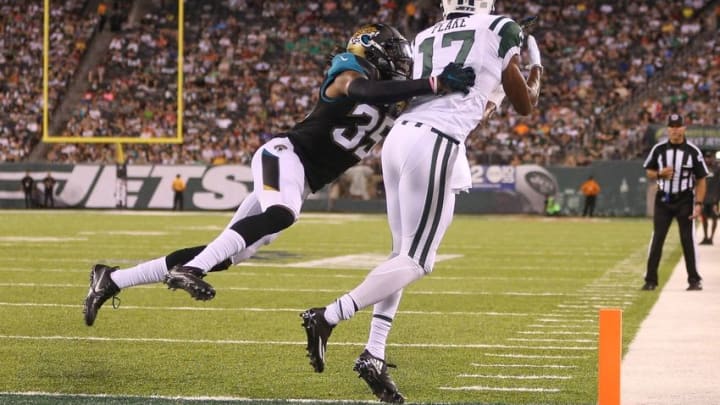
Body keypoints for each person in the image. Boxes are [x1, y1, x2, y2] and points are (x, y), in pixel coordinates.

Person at [82, 23, 474, 328]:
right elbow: (361, 91)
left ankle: (113, 279)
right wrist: (431, 82)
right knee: (283, 214)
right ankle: (191, 269)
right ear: (369, 49)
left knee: (227, 256)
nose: (401, 62)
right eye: (392, 53)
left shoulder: (395, 93)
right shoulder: (348, 69)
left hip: (299, 178)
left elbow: (411, 97)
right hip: (285, 156)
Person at [300, 2, 543, 402]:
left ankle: (374, 353)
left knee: (401, 256)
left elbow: (480, 96)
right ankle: (328, 316)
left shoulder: (426, 36)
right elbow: (526, 103)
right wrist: (534, 68)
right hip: (437, 140)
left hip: (404, 138)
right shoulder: (500, 27)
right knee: (417, 261)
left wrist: (502, 72)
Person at [642, 113, 708, 292]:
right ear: (667, 129)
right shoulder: (659, 149)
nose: (675, 130)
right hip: (663, 199)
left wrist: (699, 203)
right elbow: (648, 170)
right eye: (672, 127)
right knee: (657, 239)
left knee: (688, 239)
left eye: (678, 126)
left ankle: (694, 279)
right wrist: (659, 174)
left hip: (685, 199)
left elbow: (701, 179)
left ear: (684, 128)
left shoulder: (693, 152)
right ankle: (650, 280)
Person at [699, 151, 719, 245]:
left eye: (709, 157)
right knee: (704, 218)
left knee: (714, 218)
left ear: (712, 158)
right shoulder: (702, 169)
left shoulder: (717, 169)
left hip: (714, 198)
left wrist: (717, 199)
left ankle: (711, 237)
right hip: (704, 198)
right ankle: (705, 237)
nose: (708, 159)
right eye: (706, 157)